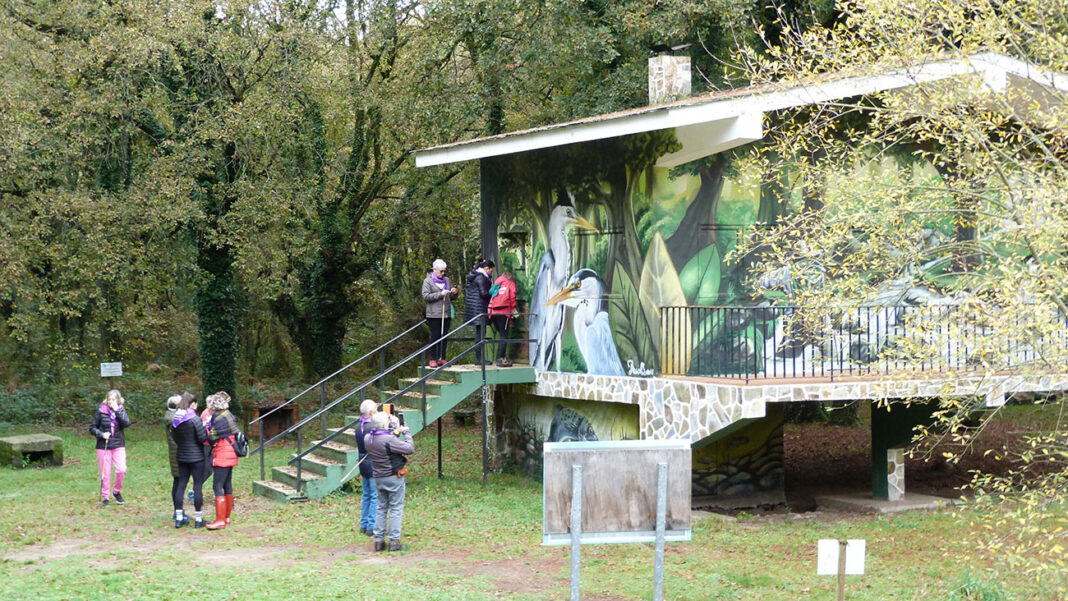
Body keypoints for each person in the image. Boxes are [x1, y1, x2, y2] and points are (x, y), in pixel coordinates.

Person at [365, 411, 414, 552]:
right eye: (388, 420)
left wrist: (396, 431)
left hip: (378, 478)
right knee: (396, 508)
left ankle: (379, 541)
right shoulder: (388, 439)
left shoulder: (368, 438)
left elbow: (386, 441)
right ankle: (394, 541)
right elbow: (409, 449)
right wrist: (406, 432)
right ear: (384, 424)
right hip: (393, 477)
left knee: (381, 508)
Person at [170, 392, 209, 528]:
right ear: (192, 404)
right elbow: (202, 438)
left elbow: (174, 437)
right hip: (197, 457)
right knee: (197, 486)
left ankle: (179, 518)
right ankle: (198, 519)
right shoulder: (194, 419)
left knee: (181, 485)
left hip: (181, 456)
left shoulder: (176, 419)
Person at [89, 389, 131, 506]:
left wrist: (117, 410)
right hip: (103, 446)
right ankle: (105, 496)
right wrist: (101, 434)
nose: (111, 401)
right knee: (105, 473)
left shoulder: (121, 410)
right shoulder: (101, 411)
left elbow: (127, 423)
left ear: (118, 400)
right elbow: (92, 428)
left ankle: (116, 492)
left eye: (113, 399)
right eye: (109, 399)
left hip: (118, 444)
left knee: (121, 470)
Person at [204, 391, 239, 531]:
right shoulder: (229, 415)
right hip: (231, 452)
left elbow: (211, 438)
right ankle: (227, 517)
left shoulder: (218, 419)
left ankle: (220, 520)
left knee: (217, 486)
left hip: (222, 454)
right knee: (227, 484)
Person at [422, 259, 458, 368]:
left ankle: (442, 358)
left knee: (444, 336)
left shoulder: (447, 280)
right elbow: (426, 296)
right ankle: (433, 358)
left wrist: (455, 292)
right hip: (434, 314)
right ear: (434, 269)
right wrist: (440, 294)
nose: (443, 273)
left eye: (444, 271)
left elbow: (452, 297)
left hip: (446, 313)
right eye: (441, 271)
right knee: (435, 336)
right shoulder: (428, 281)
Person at [464, 259, 495, 365]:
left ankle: (480, 358)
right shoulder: (481, 277)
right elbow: (483, 293)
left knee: (480, 333)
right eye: (491, 271)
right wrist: (493, 292)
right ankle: (480, 359)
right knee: (480, 334)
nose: (491, 273)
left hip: (475, 309)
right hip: (479, 309)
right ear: (487, 268)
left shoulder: (476, 276)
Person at [354, 400, 378, 536]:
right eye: (376, 409)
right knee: (374, 495)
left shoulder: (359, 425)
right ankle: (371, 526)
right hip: (372, 462)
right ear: (371, 412)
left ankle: (363, 525)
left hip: (363, 462)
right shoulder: (372, 427)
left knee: (367, 494)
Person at [488, 271, 518, 367]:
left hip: (494, 313)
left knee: (501, 334)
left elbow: (491, 297)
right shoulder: (510, 284)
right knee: (504, 335)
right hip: (504, 312)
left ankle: (501, 357)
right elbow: (512, 298)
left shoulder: (497, 284)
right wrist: (513, 309)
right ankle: (501, 358)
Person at [164, 394, 181, 515]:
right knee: (179, 482)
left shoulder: (170, 417)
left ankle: (178, 510)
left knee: (177, 481)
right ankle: (178, 511)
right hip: (178, 453)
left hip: (175, 453)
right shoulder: (175, 419)